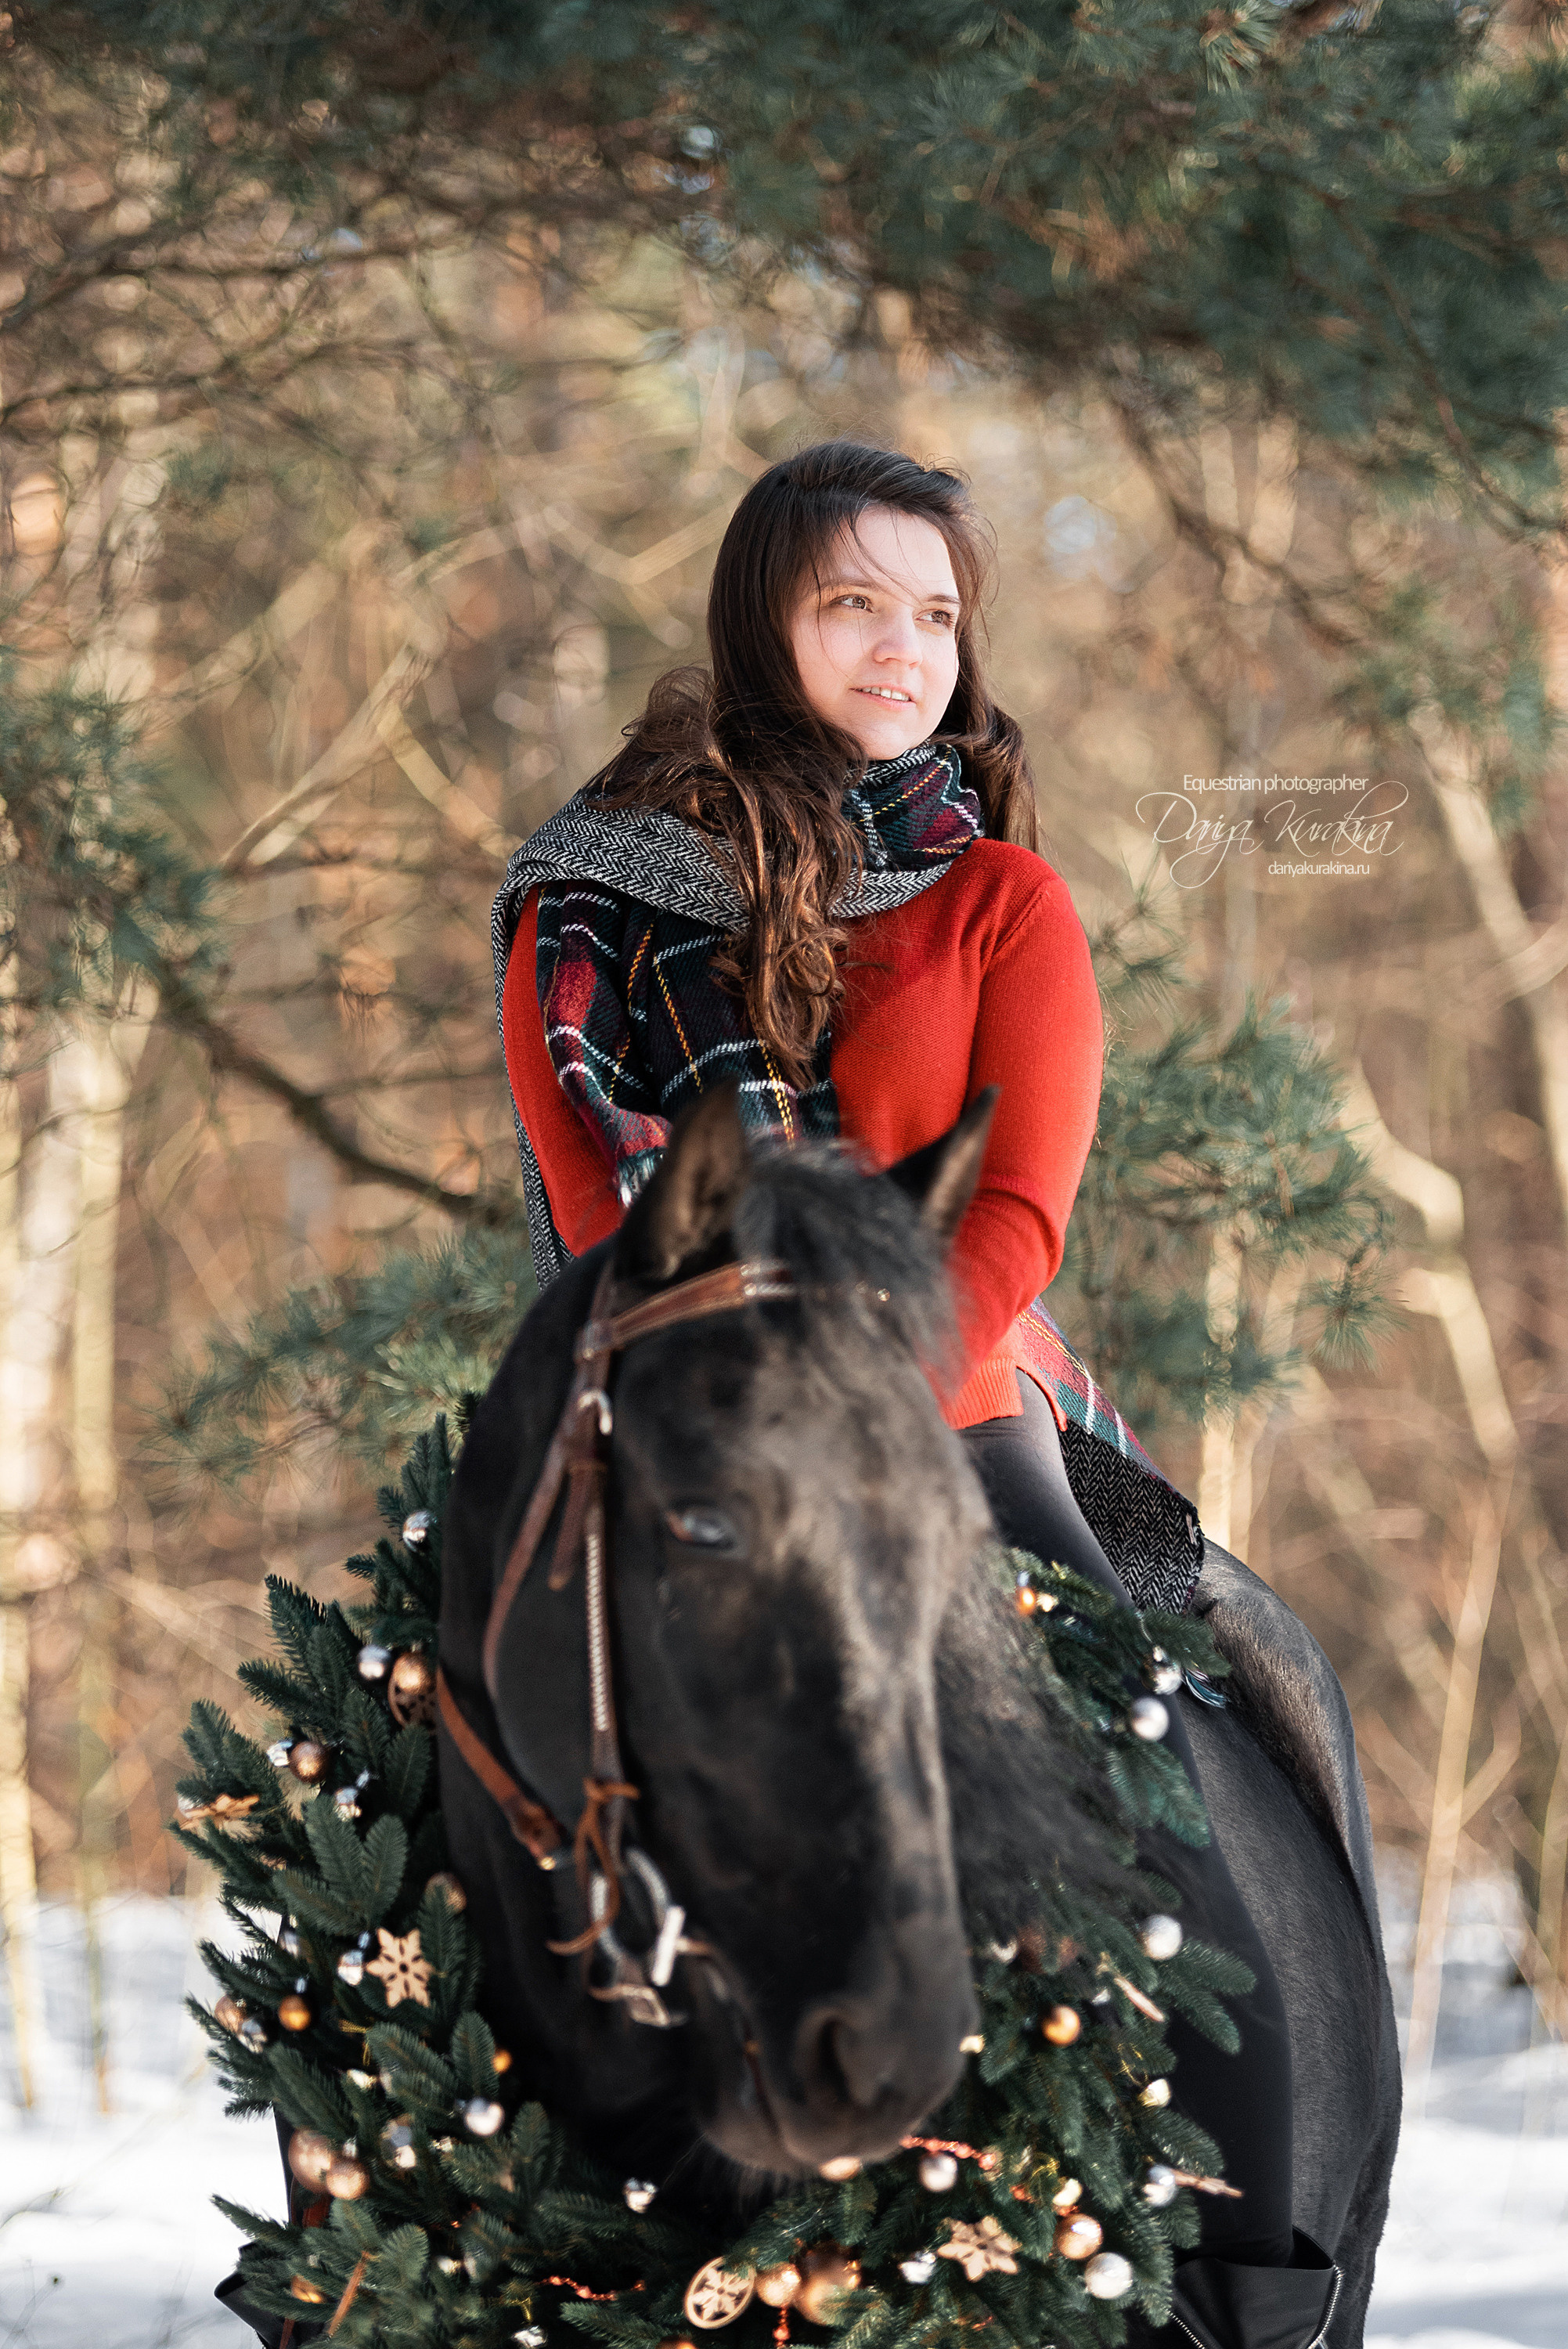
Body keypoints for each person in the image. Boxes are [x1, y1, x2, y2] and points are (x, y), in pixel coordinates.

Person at [490, 441, 1339, 2349]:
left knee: (1176, 1799)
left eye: (936, 613)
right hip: (672, 1436)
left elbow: (1017, 1212)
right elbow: (595, 1218)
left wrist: (857, 1404)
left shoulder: (1000, 900)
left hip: (957, 1418)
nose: (903, 648)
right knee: (445, 1740)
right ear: (763, 622)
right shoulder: (597, 897)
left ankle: (1257, 2299)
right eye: (853, 604)